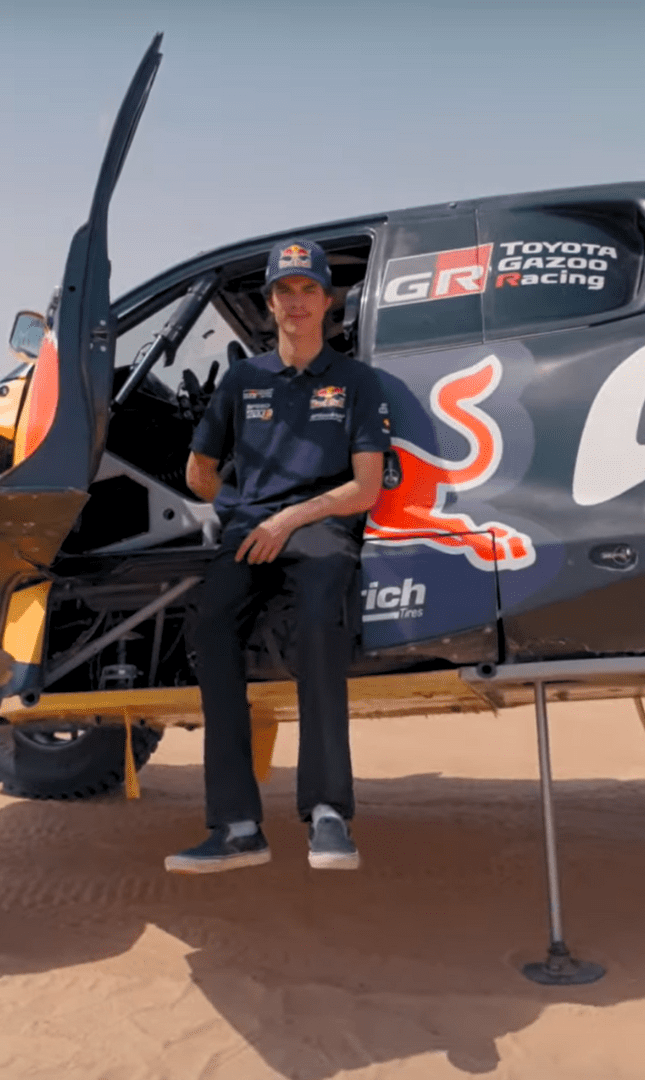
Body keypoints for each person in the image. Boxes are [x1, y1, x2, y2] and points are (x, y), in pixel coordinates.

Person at [165, 238, 388, 874]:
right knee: (210, 630)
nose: (296, 303)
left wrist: (290, 516)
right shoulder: (242, 379)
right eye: (284, 292)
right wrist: (236, 506)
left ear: (327, 301)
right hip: (249, 532)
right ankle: (236, 826)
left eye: (307, 290)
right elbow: (198, 468)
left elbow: (365, 487)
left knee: (320, 622)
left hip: (321, 526)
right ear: (270, 304)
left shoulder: (355, 381)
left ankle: (328, 815)